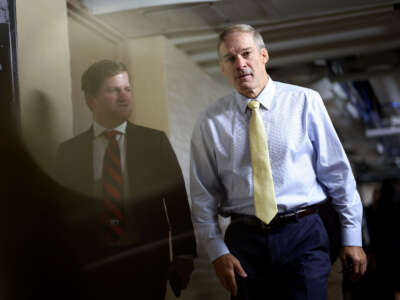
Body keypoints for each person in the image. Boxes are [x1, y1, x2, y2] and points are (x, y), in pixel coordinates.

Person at [190, 24, 367, 300]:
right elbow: (202, 197)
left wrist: (352, 238)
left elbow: (337, 175)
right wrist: (217, 253)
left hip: (304, 233)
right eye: (230, 58)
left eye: (246, 53)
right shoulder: (209, 122)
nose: (240, 63)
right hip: (244, 242)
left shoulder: (305, 102)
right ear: (222, 67)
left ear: (264, 55)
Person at [56, 59, 196, 299]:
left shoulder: (154, 142)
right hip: (93, 264)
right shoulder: (69, 152)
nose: (124, 97)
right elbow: (60, 212)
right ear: (91, 100)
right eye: (113, 90)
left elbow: (177, 201)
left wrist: (184, 254)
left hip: (147, 260)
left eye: (127, 89)